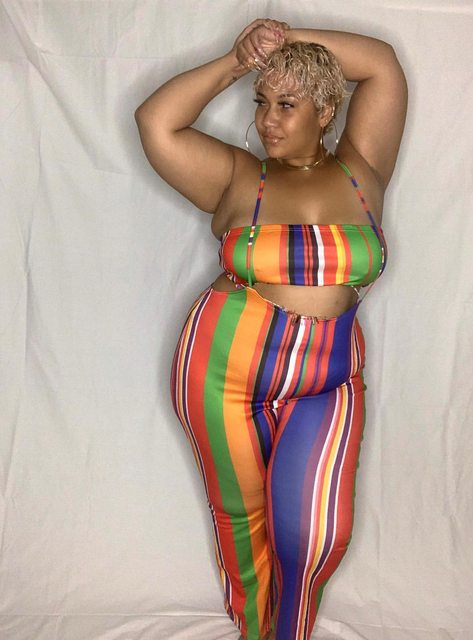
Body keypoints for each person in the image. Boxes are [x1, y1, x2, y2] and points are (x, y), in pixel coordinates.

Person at [134, 18, 407, 640]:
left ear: (327, 110)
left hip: (328, 381)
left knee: (314, 534)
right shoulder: (237, 177)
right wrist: (239, 58)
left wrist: (284, 40)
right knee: (243, 520)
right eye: (261, 103)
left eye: (287, 105)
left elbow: (381, 63)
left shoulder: (363, 168)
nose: (266, 121)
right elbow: (156, 121)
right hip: (221, 372)